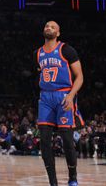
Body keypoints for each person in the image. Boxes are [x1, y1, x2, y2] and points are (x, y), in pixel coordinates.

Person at [36, 21, 84, 186]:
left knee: (67, 138)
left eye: (53, 27)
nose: (48, 27)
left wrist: (71, 96)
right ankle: (53, 182)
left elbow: (80, 77)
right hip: (45, 98)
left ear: (58, 33)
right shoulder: (38, 53)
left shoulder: (66, 50)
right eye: (47, 26)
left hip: (64, 95)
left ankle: (73, 178)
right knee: (44, 139)